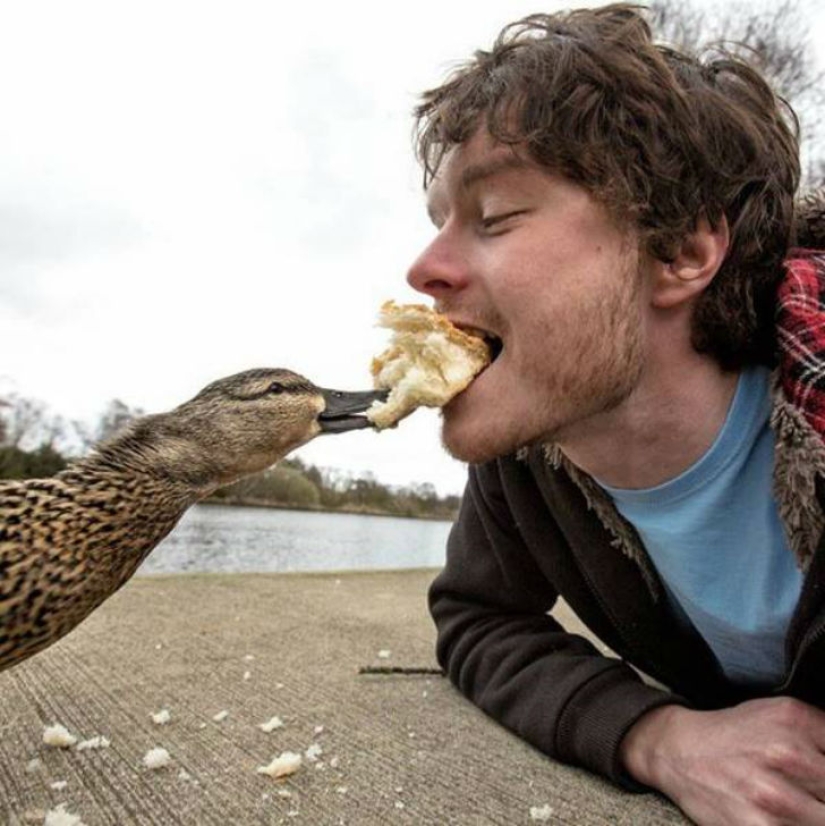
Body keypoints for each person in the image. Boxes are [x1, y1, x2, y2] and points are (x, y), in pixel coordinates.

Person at [405, 4, 825, 824]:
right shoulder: (531, 447)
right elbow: (476, 619)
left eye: (492, 218)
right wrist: (655, 736)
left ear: (678, 254)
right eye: (436, 225)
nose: (423, 270)